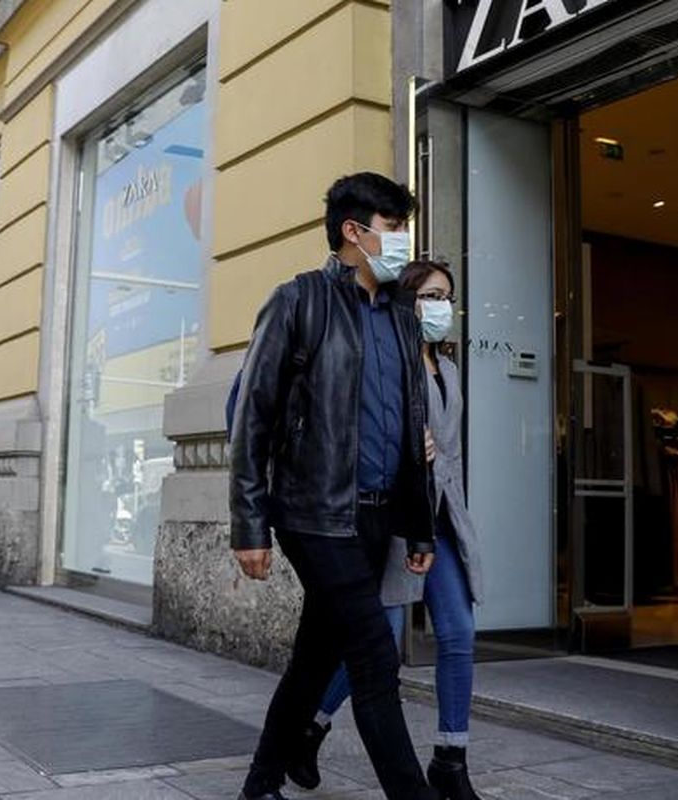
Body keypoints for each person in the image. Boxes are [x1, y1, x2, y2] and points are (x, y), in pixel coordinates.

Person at [230, 172, 439, 800]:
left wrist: (419, 521)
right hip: (314, 515)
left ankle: (260, 784)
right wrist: (249, 525)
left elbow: (411, 420)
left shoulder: (402, 315)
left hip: (376, 517)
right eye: (395, 227)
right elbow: (253, 418)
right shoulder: (297, 301)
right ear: (355, 232)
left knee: (314, 660)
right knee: (375, 658)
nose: (403, 240)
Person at [288, 261, 485, 800]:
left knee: (459, 633)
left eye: (447, 296)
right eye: (429, 296)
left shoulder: (450, 369)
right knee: (383, 642)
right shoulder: (387, 360)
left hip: (441, 519)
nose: (439, 306)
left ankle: (450, 758)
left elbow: (453, 452)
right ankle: (311, 727)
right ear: (406, 302)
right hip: (395, 517)